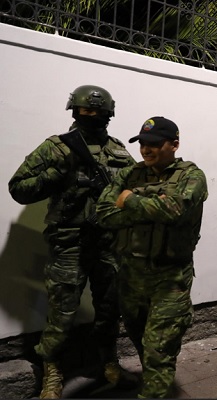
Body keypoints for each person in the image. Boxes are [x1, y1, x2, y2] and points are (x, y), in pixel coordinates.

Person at [8, 85, 137, 398]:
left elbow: (135, 188)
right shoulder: (58, 147)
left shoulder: (118, 150)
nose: (89, 116)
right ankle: (52, 372)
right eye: (84, 111)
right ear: (74, 111)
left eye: (96, 112)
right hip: (69, 243)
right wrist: (57, 175)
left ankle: (108, 362)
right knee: (62, 313)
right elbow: (18, 187)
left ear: (108, 114)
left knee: (109, 308)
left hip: (108, 243)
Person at [96, 116, 208, 397]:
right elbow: (103, 213)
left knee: (159, 349)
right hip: (131, 275)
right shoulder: (130, 173)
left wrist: (129, 201)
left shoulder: (191, 176)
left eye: (154, 144)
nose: (146, 150)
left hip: (169, 278)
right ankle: (156, 383)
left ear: (174, 144)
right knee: (140, 339)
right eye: (143, 144)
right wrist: (149, 209)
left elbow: (174, 211)